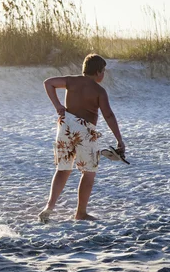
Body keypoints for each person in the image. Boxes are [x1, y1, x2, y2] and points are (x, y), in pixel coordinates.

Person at [38, 54, 125, 222]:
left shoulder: (71, 81)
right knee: (89, 171)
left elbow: (48, 83)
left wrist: (58, 106)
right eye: (103, 71)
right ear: (98, 71)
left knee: (63, 169)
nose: (104, 75)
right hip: (85, 130)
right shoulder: (99, 91)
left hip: (65, 127)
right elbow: (108, 115)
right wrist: (119, 140)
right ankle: (81, 212)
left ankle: (49, 207)